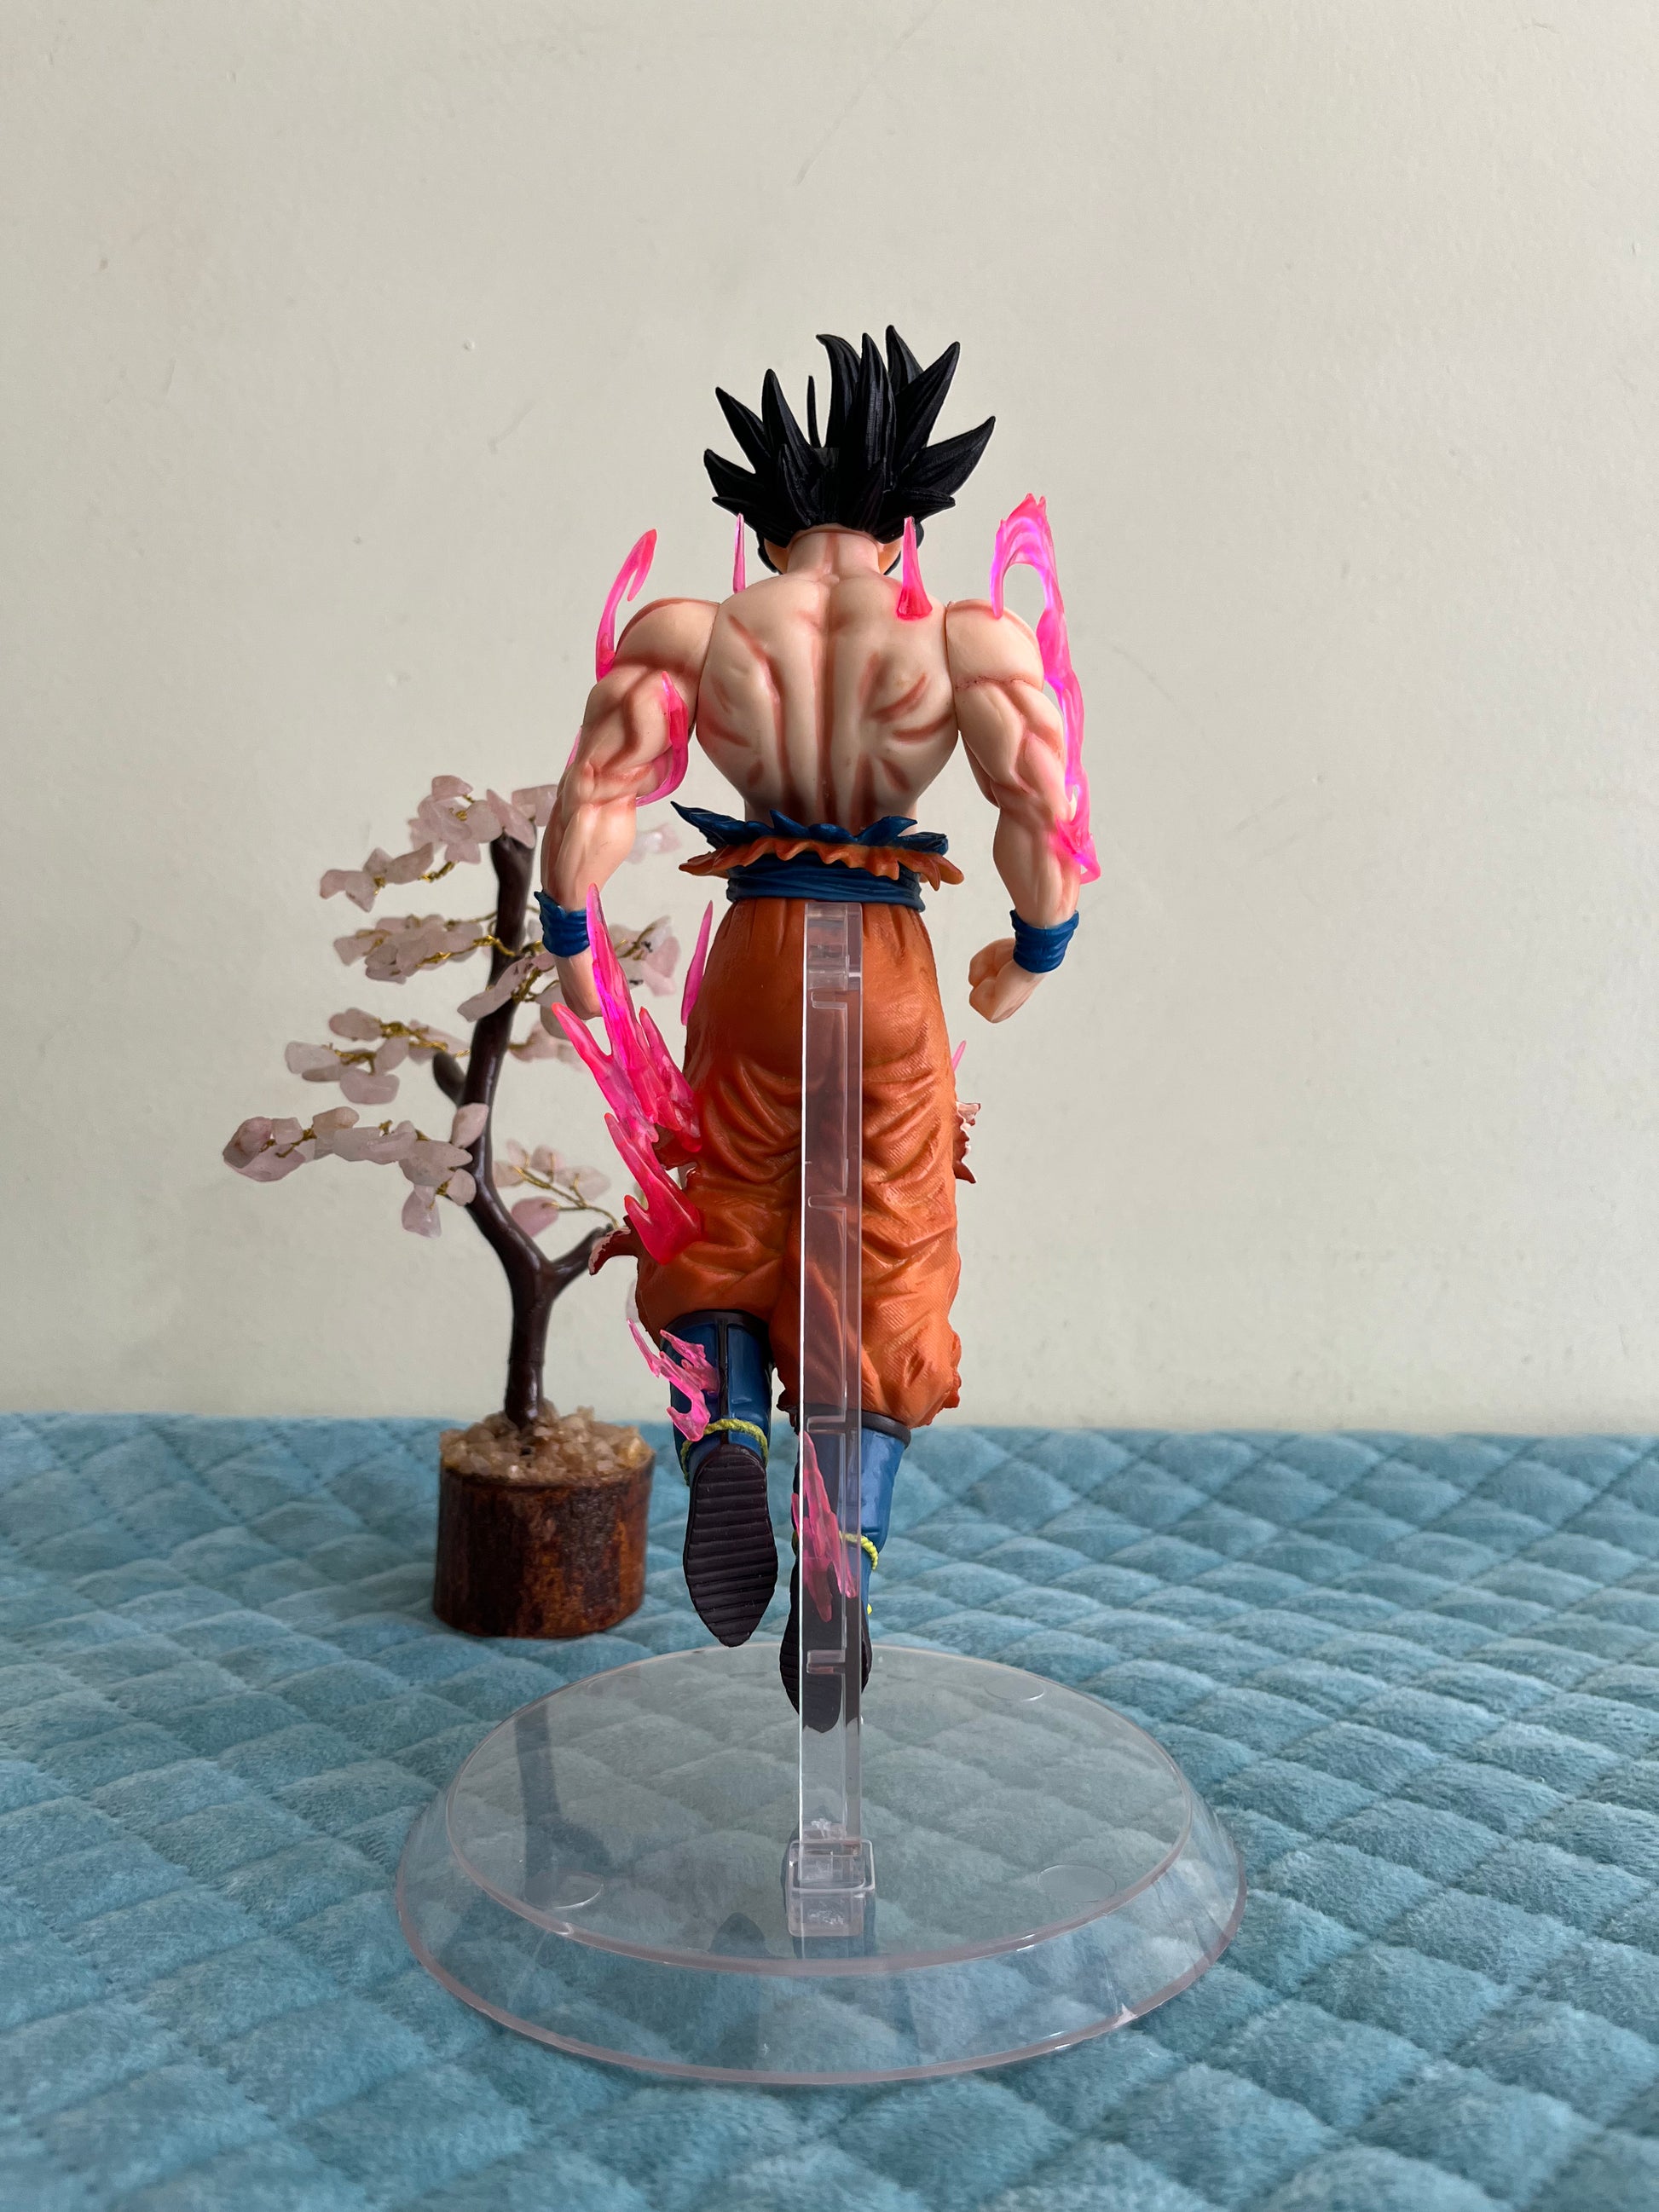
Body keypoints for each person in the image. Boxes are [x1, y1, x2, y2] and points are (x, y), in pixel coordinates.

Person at [538, 328, 1085, 1712]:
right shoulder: (960, 638)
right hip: (889, 960)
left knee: (724, 1205)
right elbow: (1039, 806)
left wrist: (573, 947)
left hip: (760, 950)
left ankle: (726, 1431)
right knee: (893, 1246)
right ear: (909, 526)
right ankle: (849, 1541)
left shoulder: (700, 633)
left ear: (761, 523)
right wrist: (1031, 950)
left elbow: (593, 804)